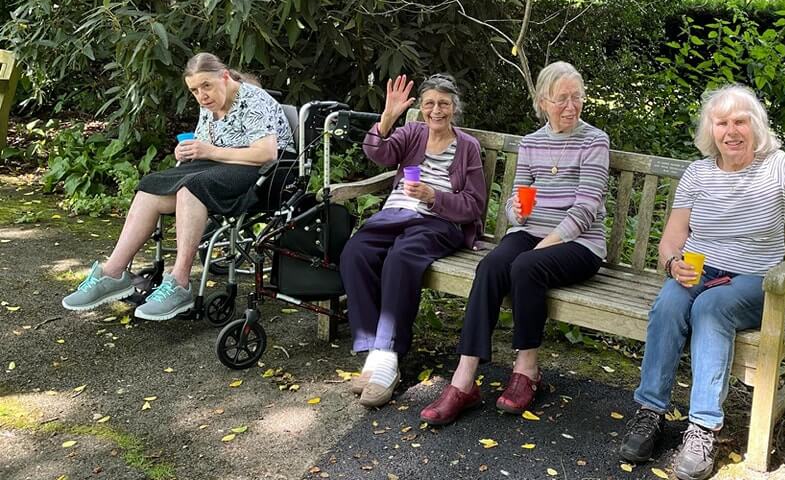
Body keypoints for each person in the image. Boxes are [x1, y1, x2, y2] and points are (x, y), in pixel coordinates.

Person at [618, 74, 785, 480]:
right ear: (710, 131)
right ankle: (650, 412)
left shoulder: (777, 167)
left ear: (756, 127)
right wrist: (671, 263)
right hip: (699, 268)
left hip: (753, 280)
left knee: (712, 309)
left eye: (740, 122)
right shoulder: (697, 174)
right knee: (668, 304)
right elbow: (671, 240)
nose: (731, 132)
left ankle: (702, 428)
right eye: (722, 124)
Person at [419, 61, 610, 426]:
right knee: (491, 265)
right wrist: (517, 211)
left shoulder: (594, 140)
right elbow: (513, 202)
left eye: (577, 97)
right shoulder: (531, 143)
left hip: (580, 243)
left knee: (525, 265)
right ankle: (464, 378)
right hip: (531, 232)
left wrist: (546, 244)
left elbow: (587, 208)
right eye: (561, 99)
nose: (571, 106)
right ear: (542, 101)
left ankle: (527, 370)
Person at [62, 53, 295, 321]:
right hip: (220, 167)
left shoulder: (252, 99)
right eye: (194, 90)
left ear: (225, 77)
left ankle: (179, 282)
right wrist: (188, 151)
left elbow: (267, 153)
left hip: (266, 173)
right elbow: (205, 146)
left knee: (192, 187)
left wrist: (210, 151)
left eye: (206, 86)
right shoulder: (209, 104)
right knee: (151, 185)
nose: (201, 95)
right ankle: (113, 273)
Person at [340, 73, 486, 408]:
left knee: (400, 259)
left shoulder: (468, 147)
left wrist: (434, 196)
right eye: (430, 103)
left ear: (454, 108)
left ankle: (387, 359)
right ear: (420, 108)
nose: (436, 110)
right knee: (355, 253)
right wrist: (388, 118)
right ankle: (374, 351)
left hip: (438, 221)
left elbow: (474, 204)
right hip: (395, 215)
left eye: (444, 104)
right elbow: (379, 154)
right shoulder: (411, 133)